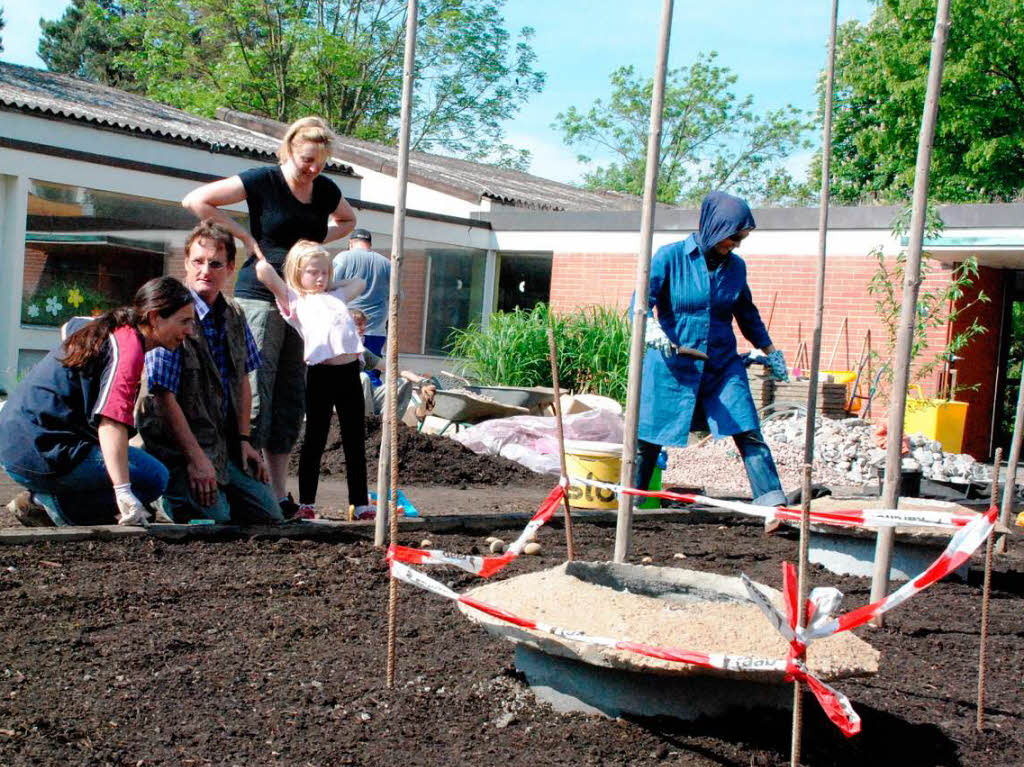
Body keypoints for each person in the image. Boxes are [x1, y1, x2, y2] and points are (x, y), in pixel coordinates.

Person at [181, 116, 357, 514]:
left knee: (290, 396)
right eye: (307, 159)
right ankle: (248, 481)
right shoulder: (264, 180)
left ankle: (278, 492)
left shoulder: (326, 189)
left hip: (302, 306)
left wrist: (312, 242)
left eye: (321, 162)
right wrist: (244, 236)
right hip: (261, 297)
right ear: (291, 148)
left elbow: (349, 220)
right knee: (257, 387)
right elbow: (196, 200)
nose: (313, 168)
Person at [0, 277, 194, 527]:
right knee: (153, 478)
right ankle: (49, 504)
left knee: (133, 473)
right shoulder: (128, 351)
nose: (190, 330)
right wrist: (123, 491)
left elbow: (70, 324)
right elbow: (111, 423)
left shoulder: (108, 326)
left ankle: (54, 501)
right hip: (40, 451)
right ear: (155, 317)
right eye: (184, 321)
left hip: (13, 441)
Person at [636, 191, 789, 507]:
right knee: (648, 439)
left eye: (741, 238)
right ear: (715, 227)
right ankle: (631, 503)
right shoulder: (669, 258)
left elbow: (747, 313)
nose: (735, 244)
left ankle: (773, 503)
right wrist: (649, 327)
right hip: (672, 365)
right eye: (732, 236)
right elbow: (638, 305)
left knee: (747, 427)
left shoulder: (736, 268)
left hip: (721, 365)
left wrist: (771, 350)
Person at [137, 221, 283, 524]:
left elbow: (243, 378)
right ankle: (160, 495)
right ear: (186, 264)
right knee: (216, 520)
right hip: (176, 451)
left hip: (224, 446)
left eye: (215, 263)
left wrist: (244, 440)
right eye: (198, 262)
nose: (206, 270)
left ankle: (217, 489)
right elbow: (163, 398)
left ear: (230, 268)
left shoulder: (235, 313)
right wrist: (195, 459)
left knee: (269, 516)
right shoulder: (171, 314)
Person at [255, 239, 373, 520]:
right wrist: (294, 279)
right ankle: (307, 501)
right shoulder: (295, 300)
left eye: (324, 272)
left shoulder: (336, 296)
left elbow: (359, 283)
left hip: (349, 374)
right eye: (313, 272)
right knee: (315, 438)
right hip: (321, 373)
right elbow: (264, 272)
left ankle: (360, 503)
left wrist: (331, 283)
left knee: (355, 439)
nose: (320, 278)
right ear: (298, 273)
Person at [332, 228, 391, 386]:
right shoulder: (386, 263)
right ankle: (372, 408)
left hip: (348, 329)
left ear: (351, 243)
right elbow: (398, 297)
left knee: (346, 374)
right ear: (369, 244)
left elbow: (330, 289)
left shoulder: (343, 258)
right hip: (376, 330)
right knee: (372, 374)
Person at [348, 309, 431, 418]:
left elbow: (393, 368)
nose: (363, 329)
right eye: (358, 325)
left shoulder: (362, 352)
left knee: (404, 382)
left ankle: (387, 425)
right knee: (362, 378)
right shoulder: (331, 351)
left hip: (364, 400)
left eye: (364, 325)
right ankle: (366, 425)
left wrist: (421, 382)